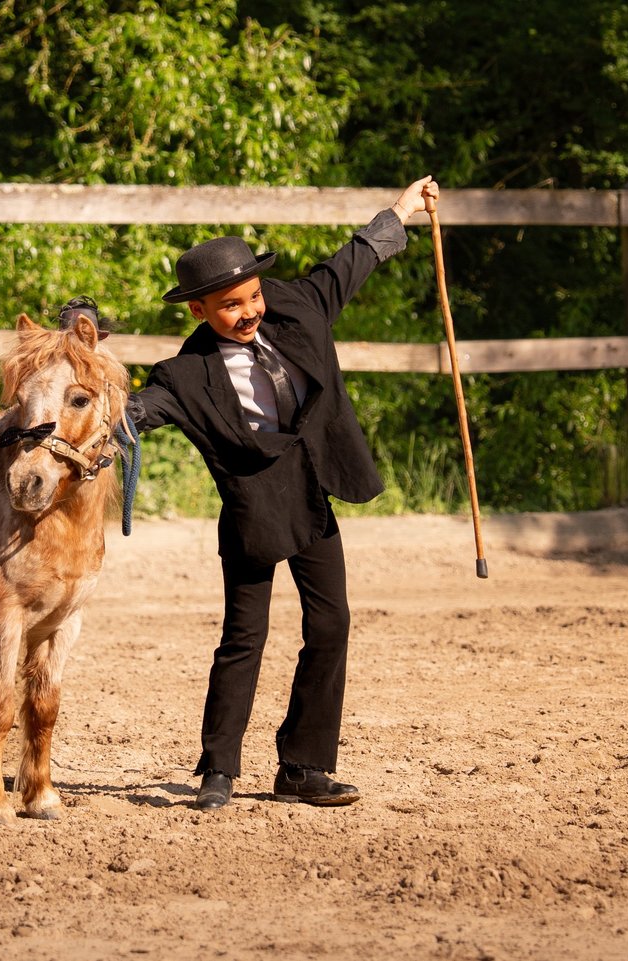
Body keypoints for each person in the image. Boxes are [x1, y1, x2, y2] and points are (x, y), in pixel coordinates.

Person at [125, 175, 440, 811]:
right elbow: (130, 413)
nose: (248, 313)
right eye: (230, 307)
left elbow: (351, 262)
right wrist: (73, 406)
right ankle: (218, 770)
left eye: (251, 296)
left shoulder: (298, 306)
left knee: (330, 624)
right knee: (245, 636)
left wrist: (401, 213)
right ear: (199, 311)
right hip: (253, 511)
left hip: (315, 496)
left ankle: (303, 767)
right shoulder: (184, 375)